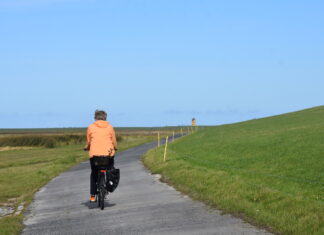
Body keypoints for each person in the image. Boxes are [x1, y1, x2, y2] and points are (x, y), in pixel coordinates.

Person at [84, 110, 117, 202]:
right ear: (105, 117)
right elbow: (114, 141)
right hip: (108, 154)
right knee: (110, 169)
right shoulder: (110, 127)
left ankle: (92, 195)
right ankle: (108, 185)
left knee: (94, 173)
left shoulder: (90, 127)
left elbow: (89, 142)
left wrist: (87, 148)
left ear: (95, 117)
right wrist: (115, 147)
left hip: (95, 156)